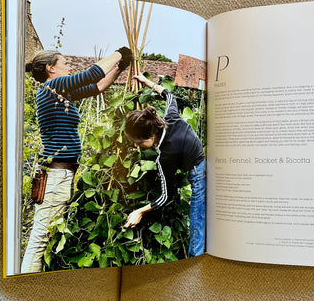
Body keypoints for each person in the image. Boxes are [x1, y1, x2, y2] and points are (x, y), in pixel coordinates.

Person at [21, 47, 133, 273]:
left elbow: (98, 86)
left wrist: (120, 67)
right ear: (51, 69)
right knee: (40, 239)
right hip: (55, 178)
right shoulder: (52, 86)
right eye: (65, 63)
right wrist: (119, 53)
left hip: (61, 176)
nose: (70, 66)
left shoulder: (60, 93)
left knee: (46, 235)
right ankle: (26, 284)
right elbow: (92, 74)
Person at [124, 74, 206, 257]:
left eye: (137, 142)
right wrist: (149, 84)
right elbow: (169, 95)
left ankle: (195, 262)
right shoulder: (170, 117)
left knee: (197, 222)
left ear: (150, 137)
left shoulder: (165, 156)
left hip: (198, 173)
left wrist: (140, 211)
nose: (135, 146)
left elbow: (165, 196)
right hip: (204, 163)